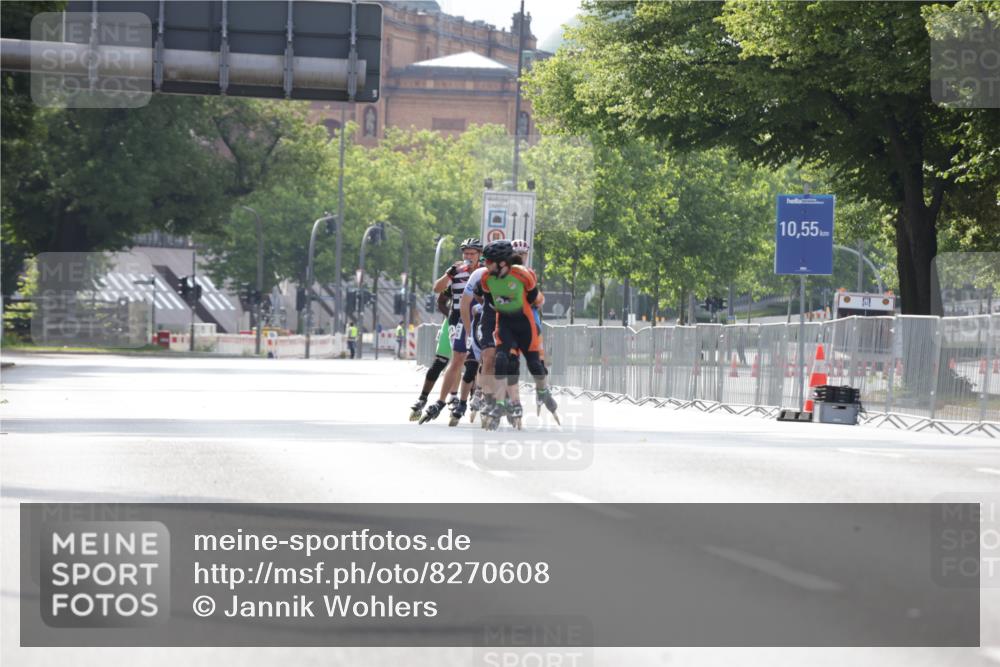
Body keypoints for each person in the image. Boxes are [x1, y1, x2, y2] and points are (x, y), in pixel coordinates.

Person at [477, 240, 557, 429]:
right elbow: (489, 301)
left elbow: (535, 300)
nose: (485, 265)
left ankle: (543, 390)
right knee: (503, 360)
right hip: (504, 323)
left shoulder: (523, 275)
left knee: (534, 364)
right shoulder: (486, 279)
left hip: (525, 323)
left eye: (489, 261)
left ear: (503, 263)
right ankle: (501, 403)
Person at [419, 237, 483, 424]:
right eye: (466, 253)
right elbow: (437, 288)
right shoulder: (456, 271)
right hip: (459, 318)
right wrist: (449, 274)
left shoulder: (483, 272)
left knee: (481, 358)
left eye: (472, 253)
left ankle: (476, 394)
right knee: (458, 358)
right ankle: (441, 401)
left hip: (479, 318)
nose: (468, 256)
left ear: (479, 255)